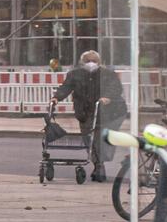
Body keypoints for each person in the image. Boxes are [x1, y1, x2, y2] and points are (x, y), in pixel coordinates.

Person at [53, 50, 125, 182]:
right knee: (88, 139)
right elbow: (66, 87)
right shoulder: (75, 75)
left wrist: (107, 97)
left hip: (106, 113)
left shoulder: (108, 74)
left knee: (99, 139)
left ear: (99, 62)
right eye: (87, 61)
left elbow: (116, 88)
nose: (91, 63)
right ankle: (97, 164)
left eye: (94, 61)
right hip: (85, 112)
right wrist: (56, 98)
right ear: (82, 62)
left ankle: (99, 166)